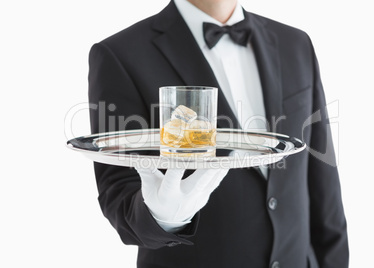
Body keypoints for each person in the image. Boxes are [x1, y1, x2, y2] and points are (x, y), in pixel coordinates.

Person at [88, 0, 349, 267]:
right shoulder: (120, 54)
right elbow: (117, 193)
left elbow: (323, 176)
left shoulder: (296, 43)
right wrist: (163, 216)